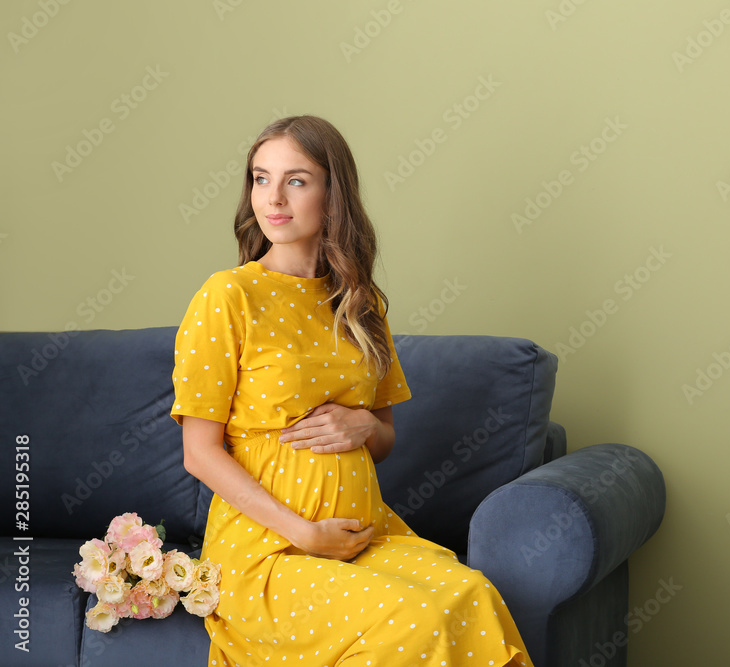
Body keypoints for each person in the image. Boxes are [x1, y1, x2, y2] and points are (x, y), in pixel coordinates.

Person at [170, 115, 532, 667]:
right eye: (260, 178)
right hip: (270, 551)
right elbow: (200, 453)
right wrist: (304, 534)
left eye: (296, 180)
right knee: (418, 619)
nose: (274, 198)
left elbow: (383, 438)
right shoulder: (228, 296)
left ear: (332, 194)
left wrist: (366, 425)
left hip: (368, 536)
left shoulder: (361, 305)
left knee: (473, 595)